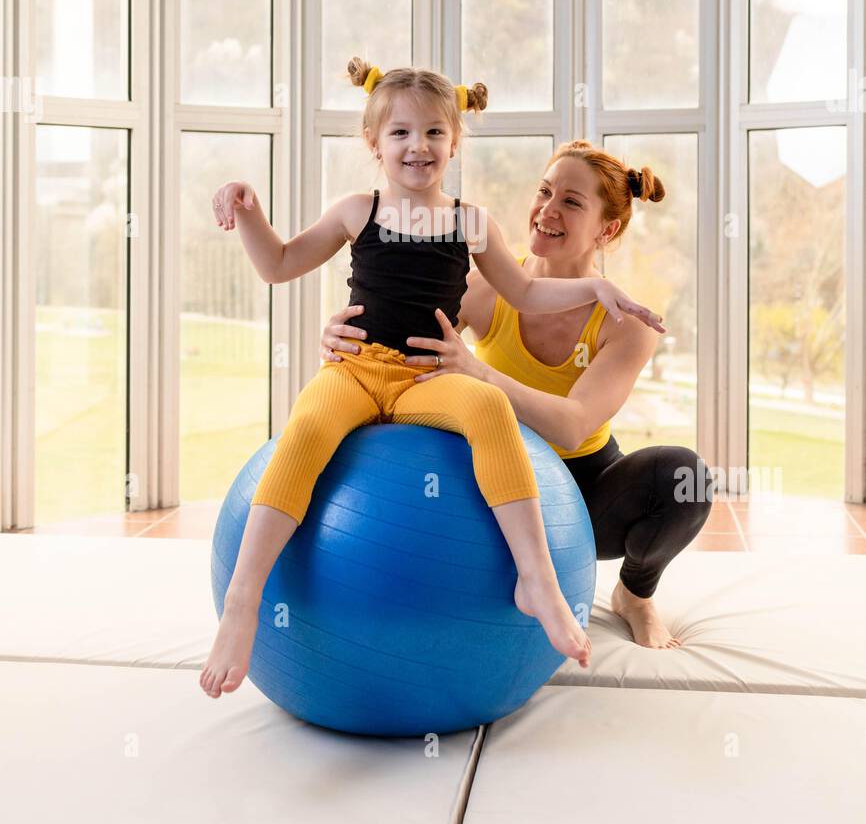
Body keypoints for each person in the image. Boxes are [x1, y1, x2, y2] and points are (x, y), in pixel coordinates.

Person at [200, 65, 665, 698]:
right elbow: (279, 264)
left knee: (491, 412)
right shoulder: (355, 211)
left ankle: (538, 579)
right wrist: (248, 209)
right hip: (356, 370)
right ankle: (243, 600)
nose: (417, 145)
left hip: (428, 376)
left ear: (454, 142)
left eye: (433, 131)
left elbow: (526, 291)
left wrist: (596, 285)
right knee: (305, 428)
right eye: (400, 132)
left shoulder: (472, 224)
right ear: (375, 143)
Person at [321, 138, 713, 651]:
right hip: (492, 477)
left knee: (686, 479)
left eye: (572, 202)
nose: (547, 211)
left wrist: (479, 373)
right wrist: (343, 337)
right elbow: (399, 352)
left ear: (608, 228)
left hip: (582, 487)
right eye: (545, 191)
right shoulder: (484, 288)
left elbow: (574, 423)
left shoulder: (626, 323)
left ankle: (635, 596)